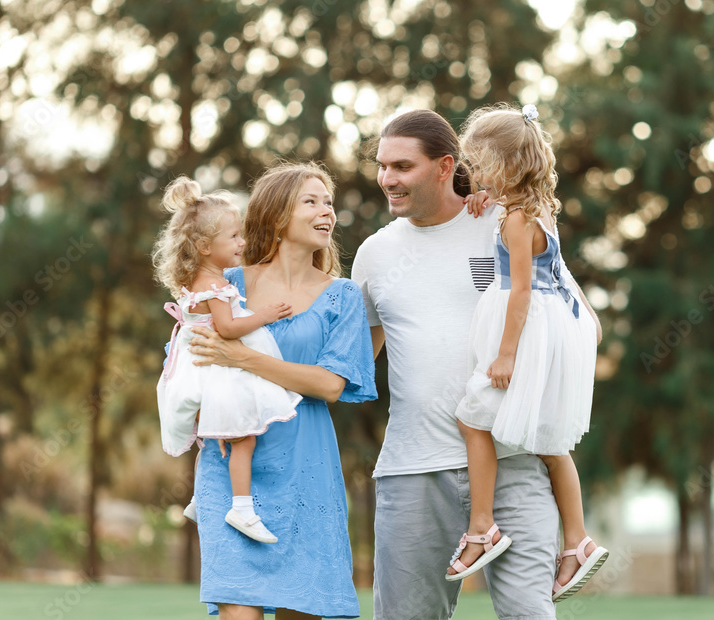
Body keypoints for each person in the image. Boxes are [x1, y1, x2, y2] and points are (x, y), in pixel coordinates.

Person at [351, 109, 560, 620]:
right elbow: (352, 364)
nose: (387, 178)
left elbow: (573, 315)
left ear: (445, 166)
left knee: (529, 615)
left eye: (402, 166)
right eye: (382, 166)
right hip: (414, 470)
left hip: (514, 459)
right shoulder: (375, 254)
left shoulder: (504, 222)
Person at [186, 162, 377, 619]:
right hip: (232, 464)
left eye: (328, 202)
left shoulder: (344, 296)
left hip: (306, 464)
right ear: (276, 216)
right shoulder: (227, 285)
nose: (326, 211)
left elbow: (330, 384)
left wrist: (241, 358)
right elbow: (192, 355)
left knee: (303, 608)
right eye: (311, 201)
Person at [446, 104, 608, 602]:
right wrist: (486, 199)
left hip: (525, 331)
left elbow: (520, 290)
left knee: (473, 420)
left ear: (507, 165)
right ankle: (577, 541)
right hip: (552, 324)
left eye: (480, 165)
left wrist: (506, 355)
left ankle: (482, 527)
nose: (474, 175)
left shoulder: (517, 221)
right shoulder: (538, 210)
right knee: (550, 442)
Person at [153, 176, 301, 544]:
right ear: (204, 246)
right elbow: (228, 328)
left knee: (215, 435)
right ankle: (242, 509)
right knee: (244, 439)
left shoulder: (199, 280)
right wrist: (265, 315)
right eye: (234, 237)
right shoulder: (215, 286)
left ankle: (198, 499)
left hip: (204, 368)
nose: (242, 243)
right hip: (221, 371)